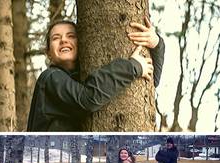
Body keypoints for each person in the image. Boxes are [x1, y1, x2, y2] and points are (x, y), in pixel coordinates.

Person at [27, 17, 165, 131]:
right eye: (56, 38)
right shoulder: (50, 77)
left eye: (71, 36)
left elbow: (151, 83)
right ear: (48, 52)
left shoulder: (78, 77)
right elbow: (88, 98)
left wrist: (157, 44)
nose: (63, 40)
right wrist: (131, 67)